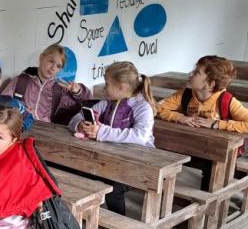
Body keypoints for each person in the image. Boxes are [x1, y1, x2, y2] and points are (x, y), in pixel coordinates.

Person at [68, 61, 155, 215]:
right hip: (111, 159)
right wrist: (80, 125)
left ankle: (118, 225)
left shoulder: (142, 107)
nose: (104, 88)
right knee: (77, 171)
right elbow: (76, 117)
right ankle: (83, 216)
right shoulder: (106, 104)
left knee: (113, 188)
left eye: (107, 84)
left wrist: (101, 132)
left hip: (137, 163)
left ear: (120, 87)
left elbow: (140, 136)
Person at [156, 55, 248, 190]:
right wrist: (178, 117)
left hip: (218, 149)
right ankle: (163, 192)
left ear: (210, 84)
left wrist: (216, 124)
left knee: (212, 166)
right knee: (164, 149)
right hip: (193, 144)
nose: (190, 74)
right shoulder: (185, 94)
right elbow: (157, 108)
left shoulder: (226, 101)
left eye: (196, 72)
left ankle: (207, 197)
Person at [2, 44, 91, 124]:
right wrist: (20, 109)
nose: (53, 68)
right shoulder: (21, 81)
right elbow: (3, 103)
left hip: (46, 131)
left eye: (58, 66)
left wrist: (78, 92)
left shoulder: (59, 89)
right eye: (51, 61)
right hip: (20, 127)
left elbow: (87, 102)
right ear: (41, 57)